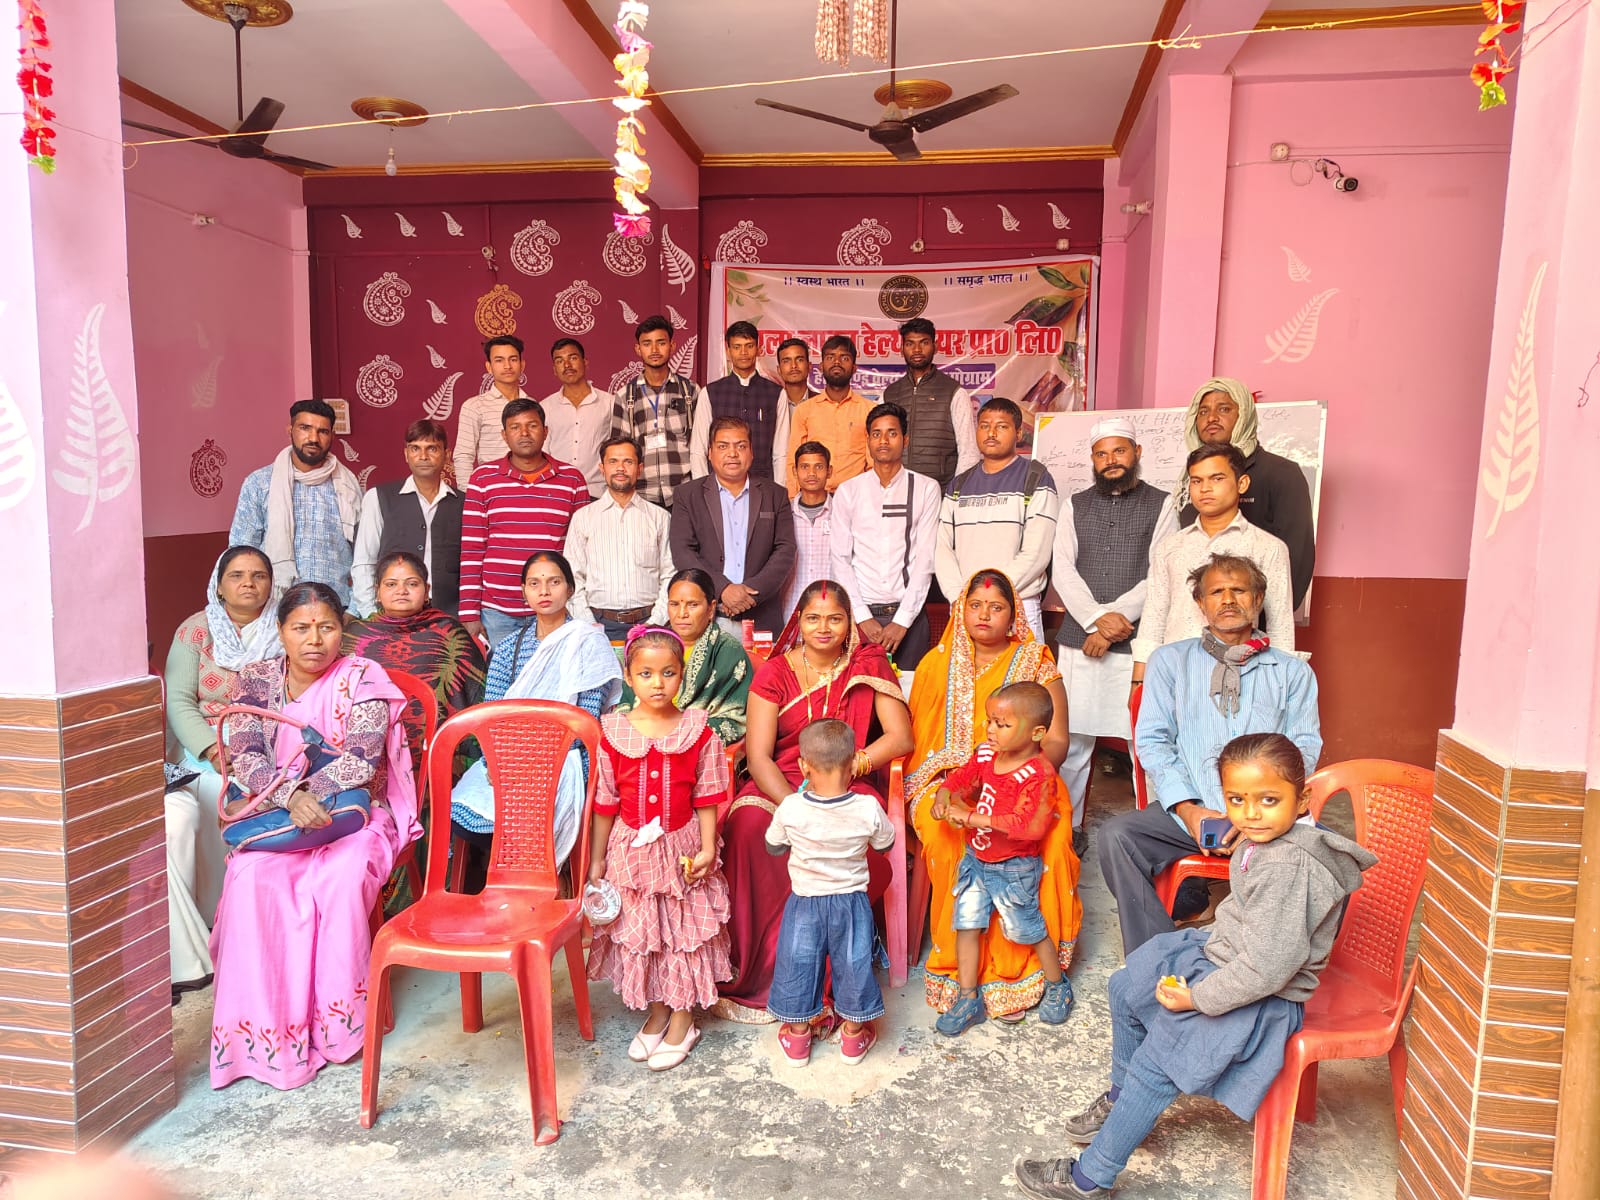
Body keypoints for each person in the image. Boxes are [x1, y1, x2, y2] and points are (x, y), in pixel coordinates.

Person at [1013, 733, 1375, 1199]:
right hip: (1228, 961)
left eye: (1268, 800)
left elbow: (1269, 968)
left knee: (1157, 1061)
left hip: (1262, 998)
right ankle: (1124, 1103)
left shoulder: (1291, 867)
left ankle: (1090, 1177)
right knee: (1127, 987)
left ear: (1302, 799)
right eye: (1237, 800)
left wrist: (1196, 998)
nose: (1251, 813)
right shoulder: (1264, 839)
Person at [209, 582, 421, 1091]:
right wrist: (290, 799)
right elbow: (246, 755)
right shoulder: (256, 679)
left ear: (341, 630)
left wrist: (312, 795)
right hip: (280, 819)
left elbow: (362, 759)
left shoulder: (362, 678)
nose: (314, 640)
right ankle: (266, 1037)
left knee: (340, 878)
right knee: (251, 876)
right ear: (281, 630)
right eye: (301, 628)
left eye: (326, 627)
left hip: (353, 815)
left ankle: (336, 1029)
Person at [715, 579, 913, 1023]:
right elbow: (759, 756)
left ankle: (828, 981)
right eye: (813, 618)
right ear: (798, 622)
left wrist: (856, 763)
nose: (824, 627)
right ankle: (761, 971)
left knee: (849, 838)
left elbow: (901, 737)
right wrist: (795, 808)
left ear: (850, 624)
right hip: (782, 784)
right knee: (746, 828)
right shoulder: (775, 672)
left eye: (835, 618)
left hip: (846, 783)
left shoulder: (867, 664)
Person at [1105, 553, 1321, 955]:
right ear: (1200, 603)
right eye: (1216, 591)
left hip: (1265, 815)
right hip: (1191, 811)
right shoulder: (1170, 661)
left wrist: (1258, 814)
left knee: (1327, 857)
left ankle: (1269, 961)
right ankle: (1157, 958)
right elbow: (1153, 740)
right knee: (1118, 836)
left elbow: (1304, 748)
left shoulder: (1292, 672)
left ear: (1258, 599)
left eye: (1239, 590)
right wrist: (1189, 810)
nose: (1228, 600)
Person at [907, 570, 1076, 1022]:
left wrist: (1016, 777)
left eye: (996, 607)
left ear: (1013, 614)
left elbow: (1057, 741)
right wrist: (951, 793)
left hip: (1028, 779)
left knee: (1049, 845)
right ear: (960, 610)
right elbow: (921, 743)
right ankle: (965, 981)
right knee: (947, 842)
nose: (984, 615)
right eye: (975, 605)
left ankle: (1023, 973)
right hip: (948, 778)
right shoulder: (935, 663)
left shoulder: (1036, 663)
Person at [587, 626, 732, 1072]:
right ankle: (657, 1010)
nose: (657, 683)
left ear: (681, 676)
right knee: (646, 931)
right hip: (631, 852)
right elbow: (605, 801)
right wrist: (597, 859)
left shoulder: (698, 732)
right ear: (628, 677)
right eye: (646, 674)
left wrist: (707, 849)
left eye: (668, 673)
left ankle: (683, 1018)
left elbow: (708, 795)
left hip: (680, 849)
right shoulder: (613, 732)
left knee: (681, 935)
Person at [1052, 417, 1177, 849]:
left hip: (1138, 644)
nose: (1111, 461)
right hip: (1080, 641)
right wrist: (1094, 620)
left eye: (1119, 451)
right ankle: (1069, 830)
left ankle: (1155, 835)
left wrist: (1112, 624)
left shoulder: (1163, 504)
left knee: (1145, 743)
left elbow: (1161, 571)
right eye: (1102, 454)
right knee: (1073, 742)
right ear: (1092, 459)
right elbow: (1062, 569)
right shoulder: (1074, 505)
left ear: (1137, 453)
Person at [163, 547, 280, 1001]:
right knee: (213, 792)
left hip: (269, 742)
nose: (248, 583)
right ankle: (210, 917)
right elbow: (179, 701)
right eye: (237, 575)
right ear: (219, 584)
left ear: (271, 583)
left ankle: (250, 920)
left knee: (265, 793)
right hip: (204, 743)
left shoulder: (286, 625)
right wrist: (213, 748)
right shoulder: (195, 630)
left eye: (258, 575)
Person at [451, 551, 623, 860]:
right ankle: (514, 878)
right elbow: (492, 717)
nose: (544, 591)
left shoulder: (588, 643)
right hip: (509, 758)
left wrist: (540, 763)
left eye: (554, 582)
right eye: (534, 583)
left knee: (532, 814)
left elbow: (585, 722)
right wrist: (496, 764)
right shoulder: (509, 648)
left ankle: (542, 879)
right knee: (462, 815)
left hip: (567, 758)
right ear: (524, 591)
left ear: (570, 589)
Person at [927, 681, 1076, 1036]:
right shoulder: (986, 755)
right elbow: (963, 777)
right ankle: (969, 998)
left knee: (1027, 929)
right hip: (975, 861)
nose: (991, 730)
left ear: (1037, 733)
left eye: (1003, 724)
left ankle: (1057, 985)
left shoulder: (1038, 774)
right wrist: (944, 795)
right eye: (990, 721)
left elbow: (1030, 826)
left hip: (1014, 868)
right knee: (967, 924)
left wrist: (973, 817)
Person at [766, 717, 897, 1067]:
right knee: (853, 964)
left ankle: (798, 1039)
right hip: (851, 903)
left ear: (803, 766)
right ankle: (854, 1037)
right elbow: (885, 842)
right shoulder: (867, 807)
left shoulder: (791, 807)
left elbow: (773, 844)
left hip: (806, 903)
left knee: (798, 962)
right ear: (853, 762)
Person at [1131, 443, 1294, 672]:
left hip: (1241, 673)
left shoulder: (1268, 547)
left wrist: (1280, 680)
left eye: (1216, 479)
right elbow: (1153, 619)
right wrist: (1139, 680)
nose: (1205, 488)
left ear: (1242, 483)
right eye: (1196, 481)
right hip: (1175, 672)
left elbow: (1280, 626)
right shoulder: (1170, 547)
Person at [457, 398, 590, 649]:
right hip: (498, 611)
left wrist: (578, 606)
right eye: (515, 427)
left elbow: (583, 552)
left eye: (532, 425)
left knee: (556, 673)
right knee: (504, 673)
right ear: (504, 435)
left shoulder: (572, 480)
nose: (524, 433)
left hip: (555, 608)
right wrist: (469, 612)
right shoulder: (483, 479)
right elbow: (472, 549)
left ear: (545, 431)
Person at [340, 550, 487, 770]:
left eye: (412, 584)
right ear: (377, 592)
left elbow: (475, 696)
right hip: (367, 748)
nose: (401, 591)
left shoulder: (450, 633)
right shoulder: (355, 635)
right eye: (391, 584)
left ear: (426, 590)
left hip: (436, 750)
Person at [1179, 377, 1316, 610]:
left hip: (1253, 618)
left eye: (1224, 409)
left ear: (1244, 415)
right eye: (1203, 412)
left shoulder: (1281, 473)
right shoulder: (1188, 478)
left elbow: (1297, 558)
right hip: (1194, 616)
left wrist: (1262, 616)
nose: (1211, 418)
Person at [828, 400, 941, 671]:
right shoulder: (849, 491)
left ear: (905, 439)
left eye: (892, 433)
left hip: (909, 616)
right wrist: (862, 616)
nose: (884, 440)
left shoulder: (926, 488)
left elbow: (925, 559)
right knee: (859, 693)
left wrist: (902, 620)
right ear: (867, 440)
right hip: (861, 615)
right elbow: (840, 559)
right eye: (876, 434)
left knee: (909, 692)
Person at [934, 398, 1060, 639]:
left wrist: (991, 597)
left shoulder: (1036, 478)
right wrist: (960, 596)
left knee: (1020, 666)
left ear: (1018, 433)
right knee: (964, 665)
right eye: (984, 426)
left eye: (1001, 426)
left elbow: (1037, 552)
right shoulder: (959, 484)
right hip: (965, 606)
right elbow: (943, 548)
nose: (991, 433)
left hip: (1017, 604)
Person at [669, 417, 797, 636]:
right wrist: (723, 589)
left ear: (751, 452)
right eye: (723, 446)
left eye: (741, 446)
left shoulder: (775, 494)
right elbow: (683, 552)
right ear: (710, 453)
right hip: (708, 616)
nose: (732, 453)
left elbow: (785, 550)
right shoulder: (687, 495)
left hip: (761, 617)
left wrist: (749, 595)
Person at [229, 399, 361, 605]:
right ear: (290, 431)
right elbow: (242, 550)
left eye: (322, 431)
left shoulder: (348, 486)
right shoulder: (260, 483)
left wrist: (354, 609)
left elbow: (364, 556)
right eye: (305, 428)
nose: (313, 438)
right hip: (276, 603)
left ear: (332, 436)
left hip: (336, 603)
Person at [617, 567, 752, 746]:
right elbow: (626, 704)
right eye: (674, 604)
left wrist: (674, 732)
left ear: (711, 608)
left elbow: (734, 719)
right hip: (641, 738)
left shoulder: (728, 652)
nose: (682, 614)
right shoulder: (651, 646)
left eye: (693, 605)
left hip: (697, 746)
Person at [350, 419, 464, 618]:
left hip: (448, 616)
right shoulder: (378, 497)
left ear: (447, 455)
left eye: (432, 449)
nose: (423, 456)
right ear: (406, 454)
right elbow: (364, 562)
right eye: (415, 449)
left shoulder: (464, 503)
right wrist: (371, 613)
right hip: (392, 616)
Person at [567, 436, 674, 640]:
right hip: (597, 623)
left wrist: (655, 622)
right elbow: (573, 577)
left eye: (628, 462)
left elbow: (670, 575)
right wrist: (589, 625)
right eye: (613, 461)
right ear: (602, 468)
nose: (620, 468)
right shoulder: (583, 518)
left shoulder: (660, 517)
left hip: (649, 621)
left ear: (639, 468)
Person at [609, 315, 702, 508]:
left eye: (661, 343)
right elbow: (619, 451)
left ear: (672, 346)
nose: (654, 350)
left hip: (684, 494)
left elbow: (701, 446)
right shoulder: (625, 396)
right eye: (647, 344)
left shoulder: (690, 391)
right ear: (638, 349)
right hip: (642, 495)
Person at [882, 317, 979, 489]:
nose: (917, 349)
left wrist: (954, 494)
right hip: (896, 491)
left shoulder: (954, 392)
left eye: (924, 343)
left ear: (935, 346)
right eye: (910, 344)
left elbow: (969, 452)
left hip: (941, 492)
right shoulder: (889, 394)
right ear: (901, 349)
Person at [692, 321, 790, 483]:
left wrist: (779, 491)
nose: (743, 352)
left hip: (763, 484)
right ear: (728, 351)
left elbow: (781, 452)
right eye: (737, 347)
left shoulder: (776, 393)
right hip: (719, 485)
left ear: (758, 349)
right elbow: (698, 449)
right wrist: (704, 490)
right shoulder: (710, 393)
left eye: (749, 346)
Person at [786, 335, 871, 496]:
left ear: (854, 367)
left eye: (844, 358)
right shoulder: (804, 410)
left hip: (856, 497)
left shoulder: (868, 410)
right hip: (814, 497)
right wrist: (793, 498)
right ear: (821, 366)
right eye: (830, 357)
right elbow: (793, 460)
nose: (837, 362)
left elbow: (873, 463)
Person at [454, 335, 534, 485]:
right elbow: (463, 456)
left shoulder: (533, 405)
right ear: (489, 367)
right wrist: (468, 493)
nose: (507, 366)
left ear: (522, 365)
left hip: (529, 487)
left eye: (513, 359)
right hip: (491, 488)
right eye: (499, 360)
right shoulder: (474, 406)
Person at [543, 337, 613, 499]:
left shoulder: (609, 403)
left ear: (585, 362)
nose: (567, 365)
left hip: (597, 493)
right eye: (559, 361)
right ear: (554, 369)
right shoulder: (545, 407)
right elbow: (543, 453)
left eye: (572, 358)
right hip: (557, 492)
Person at [781, 441, 833, 622]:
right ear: (795, 471)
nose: (811, 473)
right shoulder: (783, 515)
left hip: (832, 610)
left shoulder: (842, 513)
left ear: (829, 471)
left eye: (818, 466)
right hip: (791, 610)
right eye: (804, 467)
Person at [776, 337, 816, 409]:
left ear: (809, 366)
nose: (794, 366)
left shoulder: (823, 403)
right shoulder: (771, 404)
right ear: (779, 369)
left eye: (799, 360)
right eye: (786, 361)